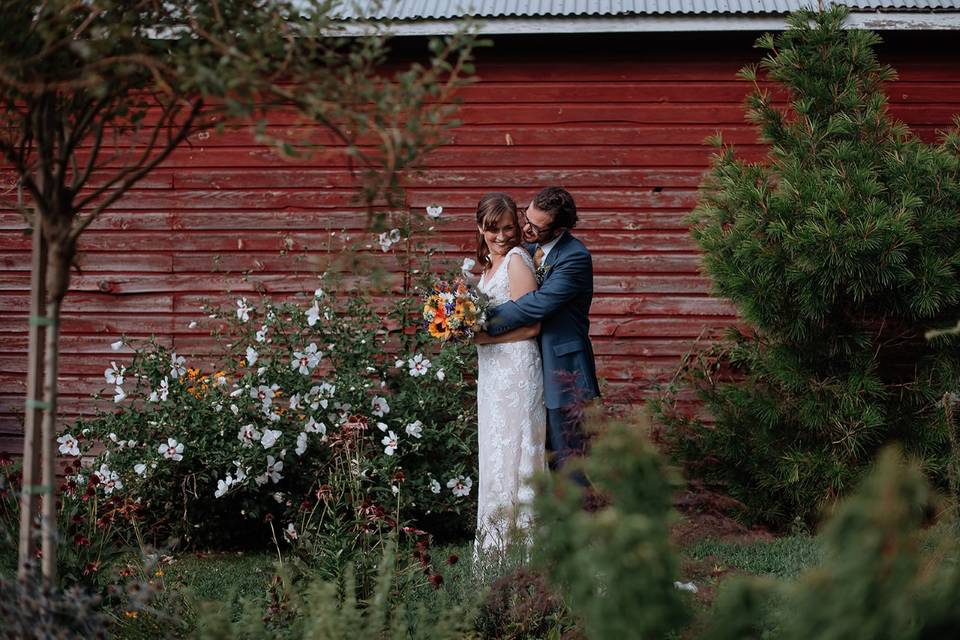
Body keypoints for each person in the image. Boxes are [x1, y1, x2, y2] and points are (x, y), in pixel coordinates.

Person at [482, 186, 600, 471]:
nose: (526, 228)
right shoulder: (529, 250)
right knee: (538, 464)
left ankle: (588, 516)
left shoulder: (575, 257)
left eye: (535, 226)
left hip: (564, 372)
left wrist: (480, 320)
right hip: (529, 374)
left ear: (558, 230)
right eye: (526, 217)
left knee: (569, 465)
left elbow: (536, 304)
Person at [471, 192, 546, 553]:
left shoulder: (517, 260)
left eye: (508, 228)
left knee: (516, 452)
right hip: (493, 376)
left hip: (517, 370)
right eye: (492, 229)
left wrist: (482, 338)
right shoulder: (487, 266)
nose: (502, 237)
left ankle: (527, 548)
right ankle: (495, 547)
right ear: (480, 229)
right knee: (496, 452)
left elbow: (532, 327)